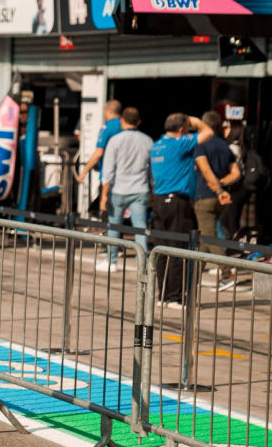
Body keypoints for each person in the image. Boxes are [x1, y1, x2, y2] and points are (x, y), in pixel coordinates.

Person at [150, 113, 214, 307]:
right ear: (181, 130)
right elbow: (208, 132)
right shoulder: (179, 143)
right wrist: (194, 121)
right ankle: (175, 297)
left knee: (161, 249)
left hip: (159, 201)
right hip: (177, 201)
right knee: (178, 248)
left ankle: (163, 295)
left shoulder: (157, 145)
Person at [98, 107, 152, 271]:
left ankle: (111, 261)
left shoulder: (115, 140)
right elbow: (151, 170)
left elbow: (108, 171)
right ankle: (142, 263)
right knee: (140, 227)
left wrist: (104, 195)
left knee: (114, 225)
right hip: (140, 188)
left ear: (122, 120)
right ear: (139, 122)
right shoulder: (148, 141)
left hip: (119, 189)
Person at [193, 110, 241, 282]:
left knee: (208, 238)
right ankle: (193, 276)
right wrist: (222, 183)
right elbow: (236, 173)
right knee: (205, 238)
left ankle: (228, 272)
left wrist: (217, 187)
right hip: (220, 199)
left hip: (205, 196)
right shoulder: (224, 146)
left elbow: (205, 170)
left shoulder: (201, 145)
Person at [76, 99, 122, 185]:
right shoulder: (125, 126)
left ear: (108, 111)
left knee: (104, 194)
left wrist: (83, 173)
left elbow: (98, 153)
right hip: (125, 175)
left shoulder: (107, 128)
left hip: (109, 175)